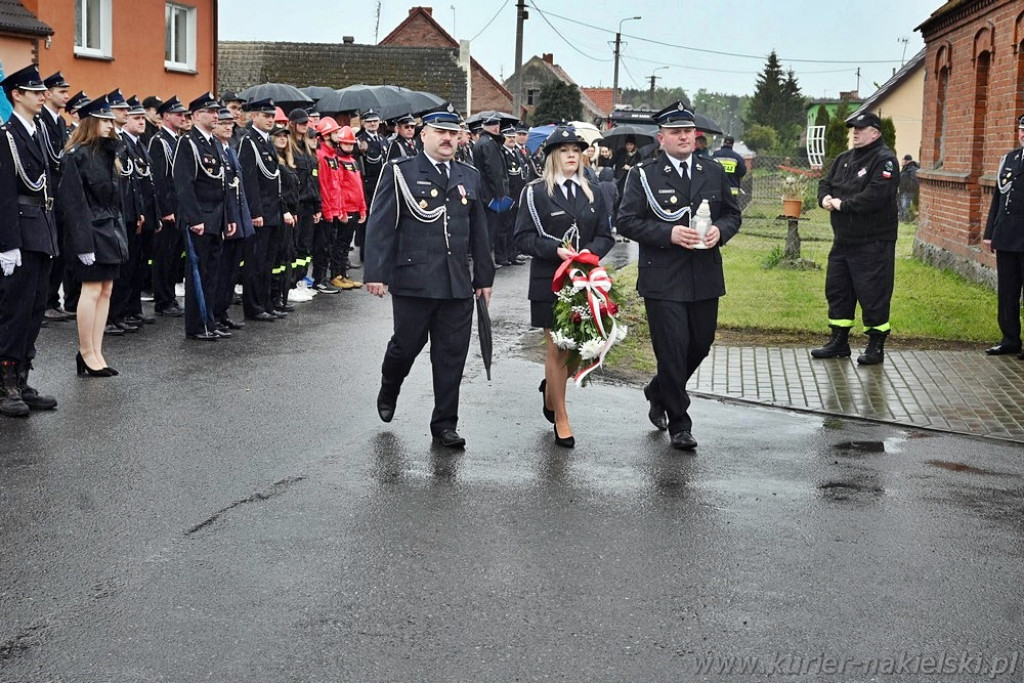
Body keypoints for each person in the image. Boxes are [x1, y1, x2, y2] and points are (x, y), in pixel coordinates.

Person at [364, 107, 495, 449]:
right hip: (414, 279)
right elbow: (380, 224)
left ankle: (444, 424)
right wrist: (376, 272)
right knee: (405, 346)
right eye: (441, 132)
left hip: (456, 282)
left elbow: (479, 230)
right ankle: (390, 383)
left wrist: (484, 276)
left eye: (454, 133)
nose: (448, 138)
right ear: (425, 135)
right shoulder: (401, 171)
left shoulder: (469, 175)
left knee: (452, 354)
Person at [617, 101, 742, 450]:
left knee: (699, 344)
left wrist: (721, 230)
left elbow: (733, 215)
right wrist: (668, 233)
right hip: (663, 275)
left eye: (688, 131)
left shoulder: (713, 171)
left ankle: (658, 389)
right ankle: (679, 422)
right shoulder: (643, 174)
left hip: (704, 274)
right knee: (672, 349)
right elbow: (626, 221)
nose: (684, 137)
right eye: (676, 132)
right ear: (662, 138)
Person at [513, 126, 614, 448]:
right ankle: (562, 418)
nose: (572, 155)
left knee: (575, 352)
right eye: (565, 150)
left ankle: (550, 394)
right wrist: (553, 250)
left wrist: (588, 256)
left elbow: (605, 235)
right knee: (557, 347)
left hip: (584, 281)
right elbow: (522, 237)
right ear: (553, 155)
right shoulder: (536, 192)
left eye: (576, 150)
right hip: (549, 281)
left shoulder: (594, 191)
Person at [813, 112, 900, 365]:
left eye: (861, 128)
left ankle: (875, 345)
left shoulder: (885, 160)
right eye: (853, 128)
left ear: (875, 132)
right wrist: (824, 199)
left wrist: (843, 205)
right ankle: (839, 341)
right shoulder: (844, 159)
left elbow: (876, 195)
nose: (855, 132)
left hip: (873, 241)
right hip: (843, 240)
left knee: (873, 293)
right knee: (838, 290)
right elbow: (825, 183)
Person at [0, 64, 60, 415]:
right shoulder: (6, 136)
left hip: (42, 229)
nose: (41, 97)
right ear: (16, 95)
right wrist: (7, 243)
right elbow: (4, 193)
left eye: (42, 92)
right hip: (20, 231)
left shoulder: (38, 132)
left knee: (35, 307)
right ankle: (5, 381)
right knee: (14, 309)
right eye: (35, 92)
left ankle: (21, 376)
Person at [59, 95, 129, 376]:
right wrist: (82, 242)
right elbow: (72, 202)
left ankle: (96, 350)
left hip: (110, 229)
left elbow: (116, 200)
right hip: (90, 230)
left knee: (106, 290)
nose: (110, 125)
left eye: (110, 120)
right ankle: (86, 352)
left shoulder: (109, 153)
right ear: (91, 122)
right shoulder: (77, 155)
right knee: (90, 290)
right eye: (104, 120)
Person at [174, 92, 235, 341]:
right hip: (200, 218)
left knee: (212, 273)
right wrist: (195, 218)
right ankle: (197, 325)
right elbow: (184, 184)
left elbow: (223, 185)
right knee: (198, 274)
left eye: (216, 111)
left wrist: (228, 217)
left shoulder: (213, 143)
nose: (215, 115)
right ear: (197, 115)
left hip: (217, 217)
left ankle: (209, 320)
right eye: (210, 111)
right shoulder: (188, 143)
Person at [108, 96, 157, 334]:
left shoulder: (137, 144)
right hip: (124, 215)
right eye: (134, 117)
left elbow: (143, 182)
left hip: (138, 214)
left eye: (140, 117)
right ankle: (118, 313)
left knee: (137, 266)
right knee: (124, 269)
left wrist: (148, 214)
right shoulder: (118, 142)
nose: (140, 121)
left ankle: (130, 308)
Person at [239, 97, 285, 322]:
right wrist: (255, 212)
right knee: (256, 262)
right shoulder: (249, 142)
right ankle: (254, 306)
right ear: (253, 116)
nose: (270, 120)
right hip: (261, 213)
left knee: (268, 262)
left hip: (272, 211)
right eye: (265, 116)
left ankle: (266, 302)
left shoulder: (266, 141)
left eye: (272, 116)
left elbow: (274, 179)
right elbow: (250, 181)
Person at [982, 115, 1024, 357]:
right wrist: (990, 233)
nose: (1023, 134)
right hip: (1007, 236)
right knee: (1007, 292)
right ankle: (1010, 339)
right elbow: (998, 198)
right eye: (1021, 130)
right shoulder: (1009, 159)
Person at [213, 107, 254, 332]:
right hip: (226, 219)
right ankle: (215, 313)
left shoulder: (230, 149)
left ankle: (223, 312)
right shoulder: (216, 149)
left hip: (238, 218)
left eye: (231, 124)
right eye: (223, 123)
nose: (229, 127)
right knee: (221, 271)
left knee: (230, 271)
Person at [148, 95, 187, 318]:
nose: (183, 118)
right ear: (165, 116)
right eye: (178, 114)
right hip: (169, 211)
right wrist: (165, 210)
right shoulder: (159, 141)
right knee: (164, 257)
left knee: (174, 257)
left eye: (183, 114)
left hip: (179, 209)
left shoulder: (177, 140)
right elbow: (159, 179)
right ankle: (163, 300)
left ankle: (170, 297)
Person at [40, 71, 72, 323]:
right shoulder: (41, 121)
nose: (66, 96)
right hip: (48, 194)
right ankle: (46, 301)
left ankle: (54, 300)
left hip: (62, 195)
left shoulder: (59, 122)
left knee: (60, 250)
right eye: (62, 91)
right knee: (50, 251)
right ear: (47, 93)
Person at [287, 108, 321, 297]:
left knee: (305, 247)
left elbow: (314, 180)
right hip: (296, 205)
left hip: (309, 204)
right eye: (300, 123)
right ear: (292, 123)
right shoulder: (290, 147)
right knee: (293, 247)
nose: (304, 126)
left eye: (306, 123)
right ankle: (290, 285)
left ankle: (300, 280)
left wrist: (317, 206)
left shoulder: (307, 148)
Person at [473, 114, 513, 267]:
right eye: (494, 126)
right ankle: (485, 261)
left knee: (489, 228)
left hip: (485, 192)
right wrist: (501, 193)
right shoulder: (489, 144)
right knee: (491, 229)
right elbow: (494, 171)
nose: (497, 128)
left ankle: (485, 259)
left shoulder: (484, 142)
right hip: (491, 194)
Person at [898, 154, 919, 222]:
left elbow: (915, 181)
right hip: (903, 191)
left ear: (906, 160)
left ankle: (906, 220)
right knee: (902, 205)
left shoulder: (912, 169)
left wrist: (907, 186)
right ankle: (903, 219)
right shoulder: (906, 168)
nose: (902, 162)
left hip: (908, 191)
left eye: (903, 160)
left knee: (905, 206)